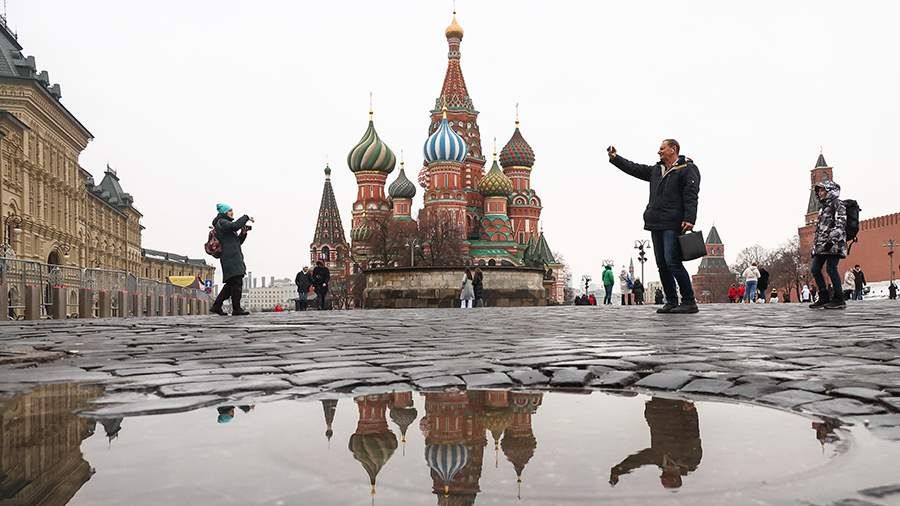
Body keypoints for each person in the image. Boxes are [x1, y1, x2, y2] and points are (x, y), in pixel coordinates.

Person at [608, 140, 700, 314]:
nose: (659, 152)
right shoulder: (657, 170)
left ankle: (689, 301)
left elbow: (691, 194)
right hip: (656, 222)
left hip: (673, 222)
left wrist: (689, 217)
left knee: (673, 261)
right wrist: (615, 158)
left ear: (673, 150)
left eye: (662, 148)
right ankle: (671, 301)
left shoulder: (687, 168)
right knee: (662, 264)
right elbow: (634, 168)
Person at [609, 398, 702, 489]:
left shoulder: (658, 459)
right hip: (676, 411)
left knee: (662, 387)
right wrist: (690, 413)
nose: (662, 475)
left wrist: (618, 470)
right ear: (674, 478)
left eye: (663, 476)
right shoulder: (690, 461)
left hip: (658, 409)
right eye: (665, 478)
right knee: (668, 387)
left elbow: (638, 460)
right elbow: (693, 435)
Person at [808, 181, 847, 310]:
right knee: (815, 269)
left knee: (831, 268)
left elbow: (841, 223)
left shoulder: (838, 204)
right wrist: (815, 247)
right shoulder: (823, 207)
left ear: (830, 190)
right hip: (821, 245)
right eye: (818, 191)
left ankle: (839, 298)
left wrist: (832, 240)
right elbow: (819, 230)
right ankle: (824, 296)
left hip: (834, 244)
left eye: (822, 190)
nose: (819, 193)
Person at [210, 203, 253, 316]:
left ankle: (216, 306)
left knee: (230, 286)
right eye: (229, 210)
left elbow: (237, 242)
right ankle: (236, 308)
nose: (232, 212)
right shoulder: (222, 222)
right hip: (230, 258)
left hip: (232, 257)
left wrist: (243, 233)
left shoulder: (225, 224)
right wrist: (246, 217)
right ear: (224, 212)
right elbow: (235, 226)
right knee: (236, 283)